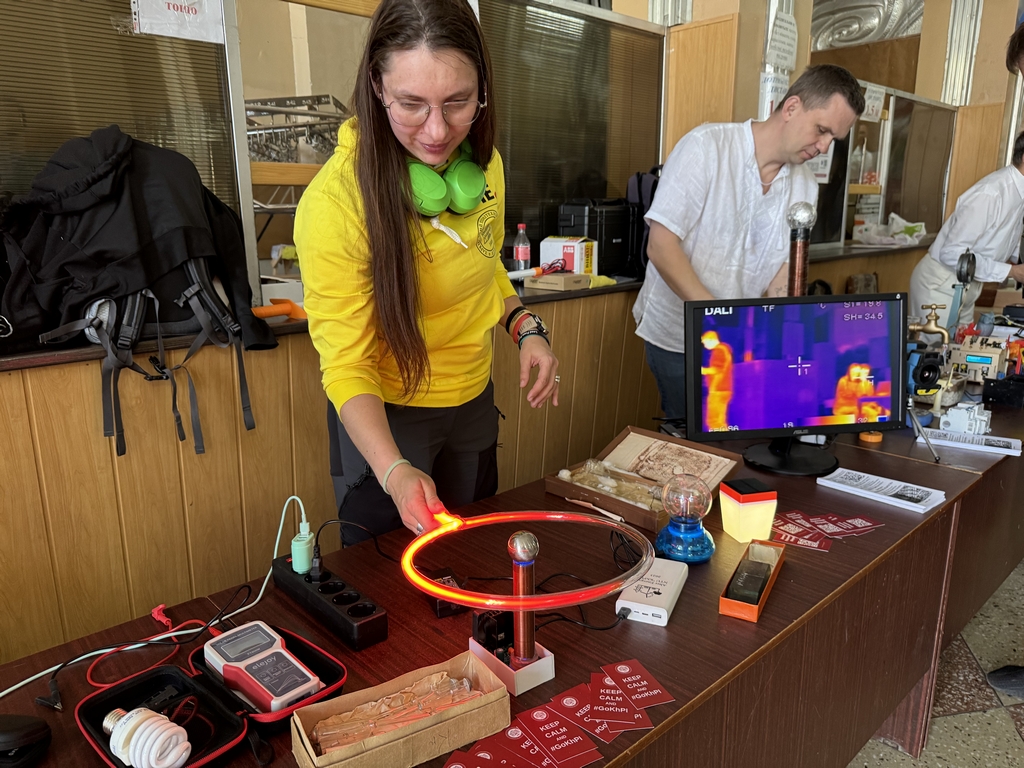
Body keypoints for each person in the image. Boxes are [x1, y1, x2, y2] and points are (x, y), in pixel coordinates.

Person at [295, 0, 559, 543]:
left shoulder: (484, 165)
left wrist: (525, 328)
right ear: (377, 86)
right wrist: (394, 471)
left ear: (482, 90)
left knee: (475, 557)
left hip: (473, 402)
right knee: (389, 576)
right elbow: (346, 365)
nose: (438, 131)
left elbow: (485, 262)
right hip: (389, 417)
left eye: (459, 102)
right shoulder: (335, 205)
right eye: (411, 105)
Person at [632, 64, 864, 426]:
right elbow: (661, 246)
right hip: (679, 337)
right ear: (791, 108)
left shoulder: (805, 186)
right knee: (695, 436)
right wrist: (721, 320)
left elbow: (781, 274)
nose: (823, 147)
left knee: (740, 433)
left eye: (833, 139)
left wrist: (784, 336)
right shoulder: (706, 147)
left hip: (745, 345)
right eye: (821, 130)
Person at [908, 131, 1024, 338]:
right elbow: (952, 254)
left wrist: (1016, 264)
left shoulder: (1018, 193)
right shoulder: (991, 192)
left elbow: (1003, 241)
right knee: (935, 352)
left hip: (969, 285)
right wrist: (1011, 272)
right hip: (940, 284)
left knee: (962, 351)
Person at [699, 331, 733, 430]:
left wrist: (702, 370)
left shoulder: (718, 350)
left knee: (713, 421)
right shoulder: (725, 349)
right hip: (725, 389)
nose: (704, 346)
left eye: (705, 342)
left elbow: (717, 369)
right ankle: (724, 437)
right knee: (720, 421)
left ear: (711, 340)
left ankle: (717, 438)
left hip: (718, 389)